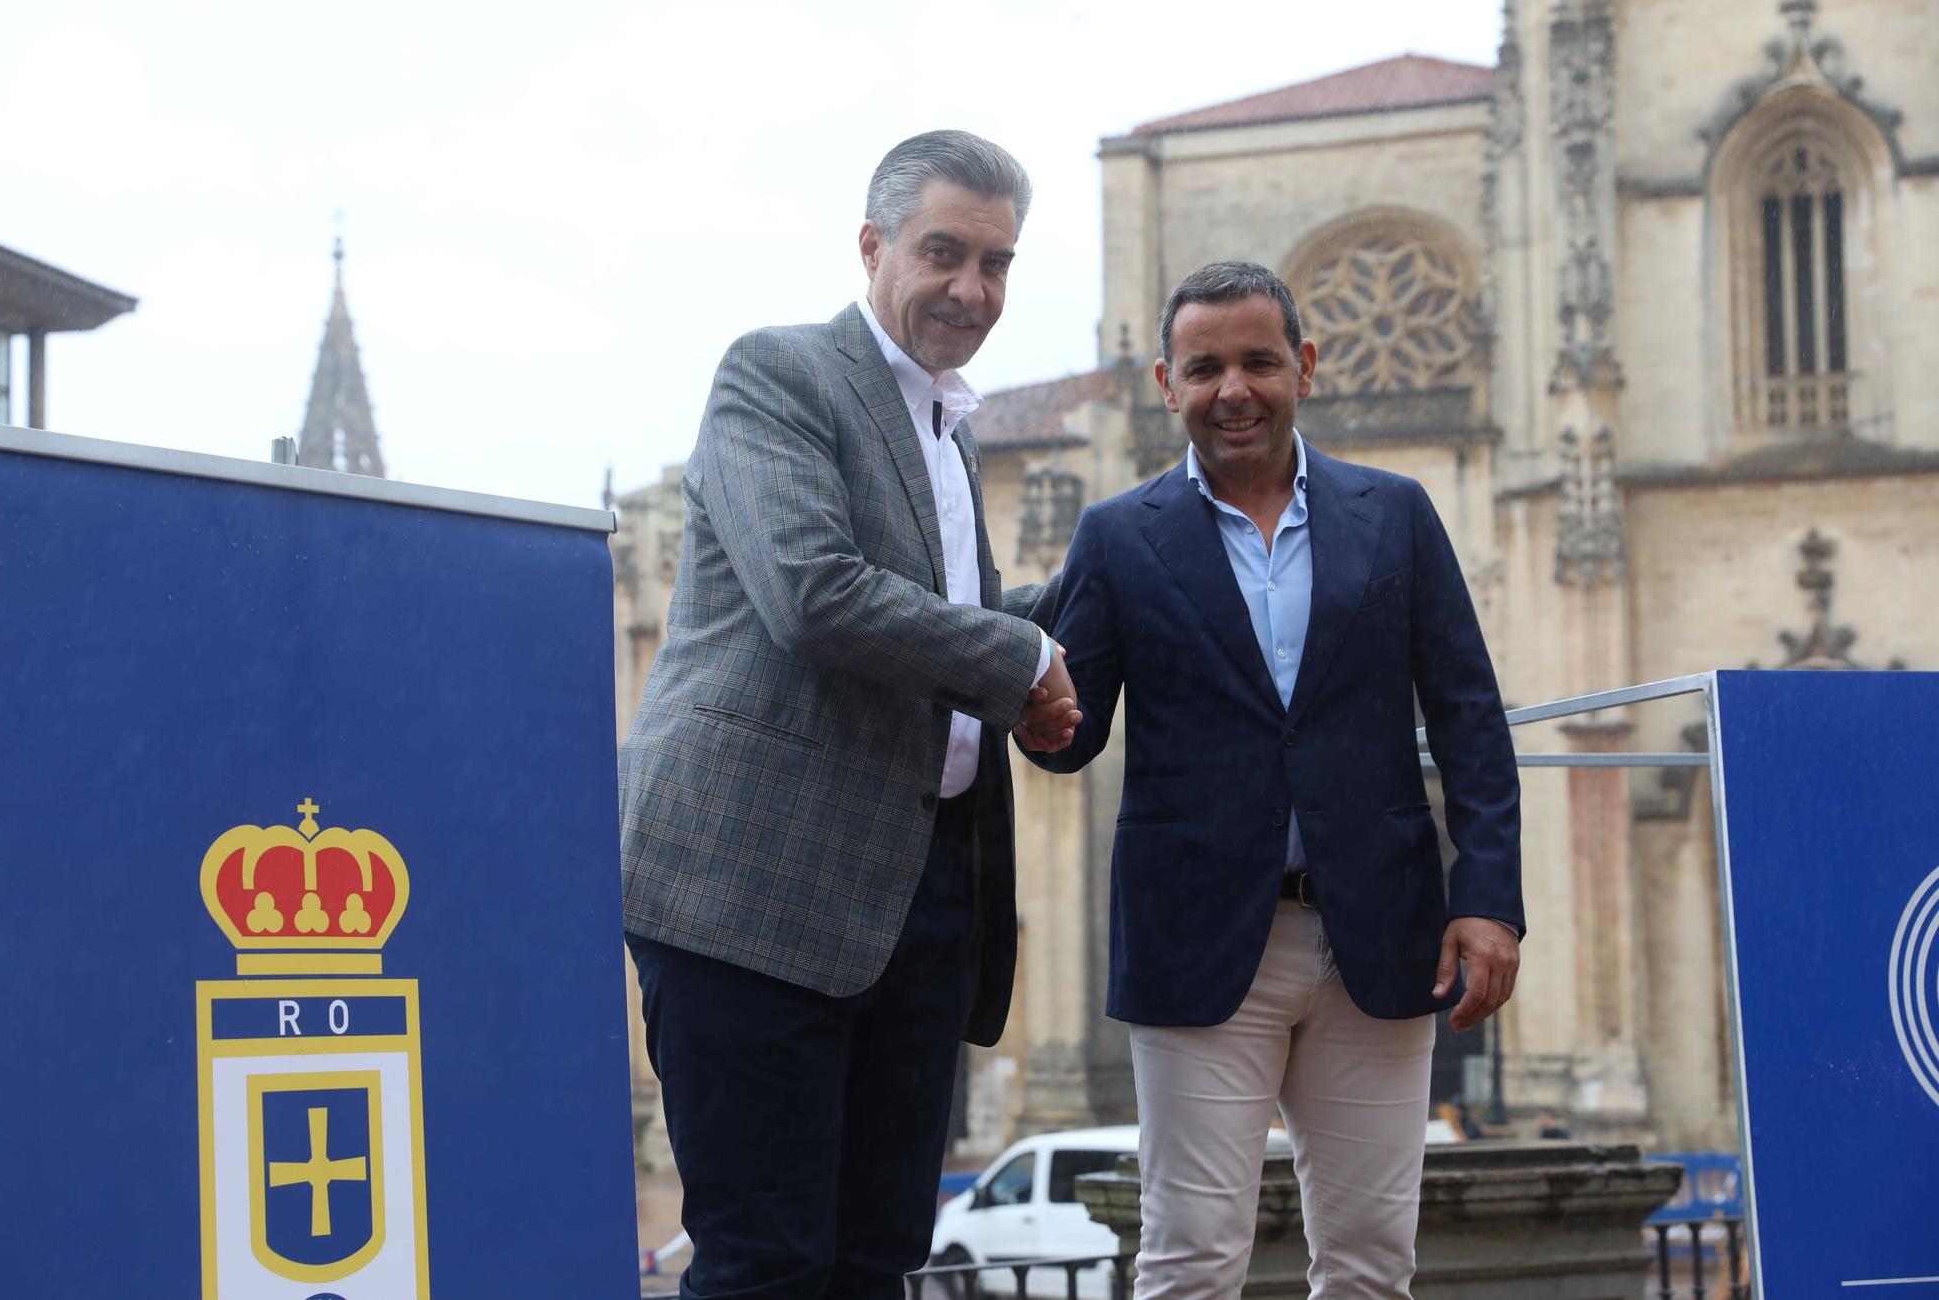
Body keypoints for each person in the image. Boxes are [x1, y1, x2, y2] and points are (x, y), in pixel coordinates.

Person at [618, 130, 1082, 1300]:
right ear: (872, 245)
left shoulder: (948, 430)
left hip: (918, 898)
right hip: (757, 890)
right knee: (767, 1266)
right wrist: (1021, 653)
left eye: (995, 263)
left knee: (879, 1259)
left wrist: (1103, 600)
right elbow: (815, 592)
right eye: (942, 252)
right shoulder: (777, 374)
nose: (970, 289)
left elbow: (948, 620)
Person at [1026, 260, 1524, 1298]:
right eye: (1203, 367)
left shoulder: (1394, 513)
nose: (1232, 388)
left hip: (1375, 942)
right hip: (1200, 944)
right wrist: (1019, 695)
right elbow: (1069, 738)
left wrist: (1487, 901)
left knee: (1371, 1264)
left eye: (1257, 360)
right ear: (1166, 384)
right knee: (1190, 1261)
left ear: (1302, 366)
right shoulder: (1116, 538)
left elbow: (1469, 715)